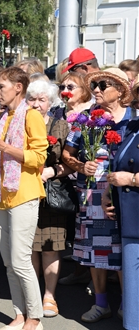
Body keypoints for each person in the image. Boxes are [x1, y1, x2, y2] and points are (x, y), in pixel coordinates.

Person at [62, 68, 132, 322]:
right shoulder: (86, 118)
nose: (98, 90)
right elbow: (67, 154)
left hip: (124, 195)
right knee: (96, 251)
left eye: (104, 85)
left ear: (121, 90)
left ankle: (129, 303)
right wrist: (82, 166)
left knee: (125, 250)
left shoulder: (133, 119)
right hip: (91, 194)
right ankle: (101, 303)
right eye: (96, 85)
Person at [0, 67, 47, 330]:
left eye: (1, 87)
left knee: (21, 260)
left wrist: (5, 149)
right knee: (9, 262)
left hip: (24, 193)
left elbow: (39, 158)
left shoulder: (31, 116)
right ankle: (19, 314)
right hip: (0, 195)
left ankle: (35, 317)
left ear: (18, 88)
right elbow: (0, 158)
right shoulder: (2, 117)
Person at [26, 80, 73, 318]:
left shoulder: (61, 126)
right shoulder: (19, 123)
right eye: (32, 99)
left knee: (50, 248)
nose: (36, 104)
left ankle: (49, 296)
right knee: (29, 248)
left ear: (50, 102)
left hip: (51, 195)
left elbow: (71, 162)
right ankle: (32, 294)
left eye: (41, 100)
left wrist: (52, 171)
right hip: (24, 192)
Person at [102, 116, 139, 330]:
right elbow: (119, 163)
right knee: (133, 286)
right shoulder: (134, 126)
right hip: (129, 216)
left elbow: (127, 174)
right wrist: (109, 192)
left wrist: (131, 179)